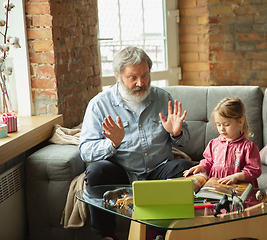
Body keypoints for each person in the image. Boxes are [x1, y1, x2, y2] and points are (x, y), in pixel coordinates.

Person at [79, 46, 193, 240]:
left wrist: (177, 133)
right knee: (96, 171)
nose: (141, 83)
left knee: (184, 168)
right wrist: (112, 144)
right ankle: (107, 235)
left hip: (158, 170)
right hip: (120, 172)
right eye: (133, 77)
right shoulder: (99, 104)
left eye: (145, 75)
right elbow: (85, 151)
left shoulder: (162, 98)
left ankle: (159, 234)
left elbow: (186, 142)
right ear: (117, 75)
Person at [183, 97, 261, 188]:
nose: (221, 129)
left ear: (240, 122)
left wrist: (236, 176)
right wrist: (201, 167)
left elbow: (254, 170)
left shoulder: (248, 147)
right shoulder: (213, 144)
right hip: (216, 187)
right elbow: (208, 161)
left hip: (238, 188)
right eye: (218, 124)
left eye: (226, 125)